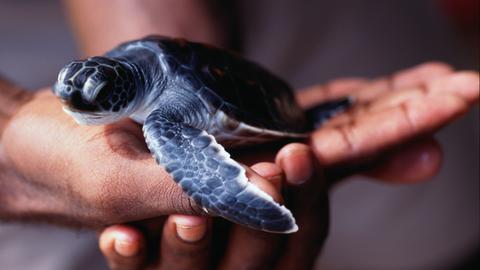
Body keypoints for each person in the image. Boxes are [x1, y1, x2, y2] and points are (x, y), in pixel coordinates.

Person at [0, 0, 477, 269]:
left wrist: (230, 192)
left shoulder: (165, 116)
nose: (79, 106)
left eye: (100, 93)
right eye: (71, 96)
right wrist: (12, 132)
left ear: (124, 81)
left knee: (422, 236)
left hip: (299, 44)